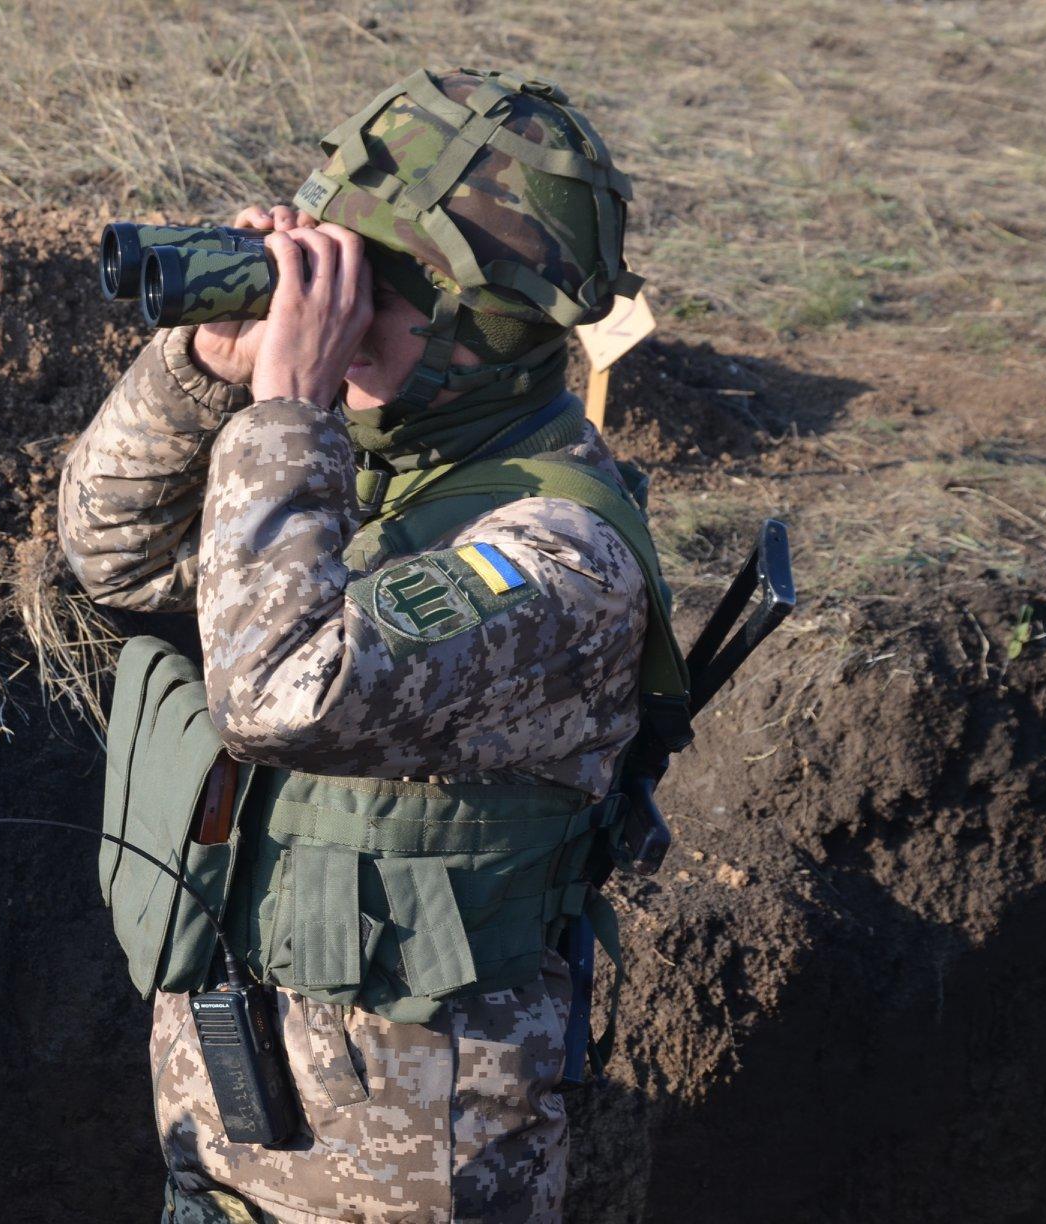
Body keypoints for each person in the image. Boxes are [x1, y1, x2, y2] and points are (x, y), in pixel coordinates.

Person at [59, 68, 669, 1223]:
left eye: (365, 288)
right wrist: (207, 375)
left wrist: (288, 413)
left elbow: (282, 695)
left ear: (475, 329)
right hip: (233, 1133)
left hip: (405, 1180)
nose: (323, 308)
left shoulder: (558, 556)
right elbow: (113, 554)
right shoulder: (357, 474)